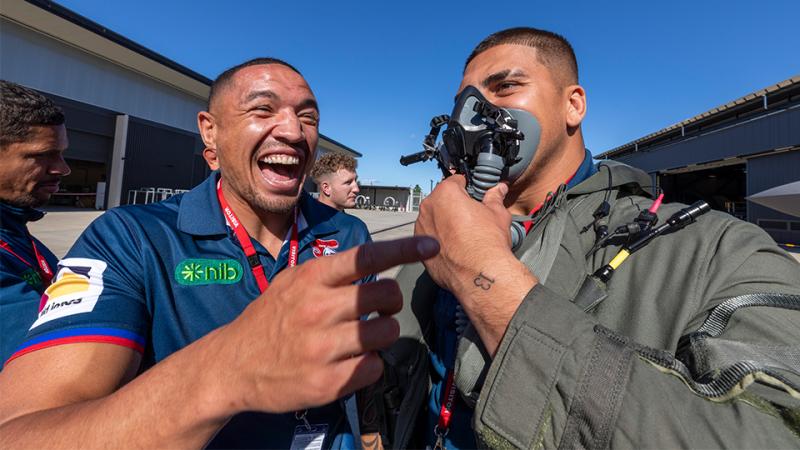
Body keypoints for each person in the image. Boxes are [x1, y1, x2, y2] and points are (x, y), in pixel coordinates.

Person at [380, 28, 800, 449]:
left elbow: (772, 431)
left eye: (505, 87)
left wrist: (482, 274)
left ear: (573, 105)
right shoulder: (439, 238)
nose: (472, 116)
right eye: (463, 103)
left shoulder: (717, 251)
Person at [0, 58, 439, 449]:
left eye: (308, 117)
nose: (292, 130)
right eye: (263, 110)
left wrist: (370, 432)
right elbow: (23, 432)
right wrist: (231, 367)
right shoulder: (130, 238)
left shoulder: (347, 233)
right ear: (210, 130)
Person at [0, 80, 71, 365]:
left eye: (62, 153)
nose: (63, 169)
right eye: (42, 156)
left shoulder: (16, 230)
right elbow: (55, 358)